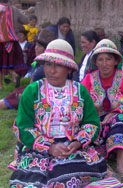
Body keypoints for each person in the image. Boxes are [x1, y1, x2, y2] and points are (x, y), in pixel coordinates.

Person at [9, 39, 106, 187]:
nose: (51, 71)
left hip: (72, 148)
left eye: (58, 65)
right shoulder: (32, 91)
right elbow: (24, 127)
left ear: (69, 69)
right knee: (34, 182)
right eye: (48, 64)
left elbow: (91, 122)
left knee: (74, 174)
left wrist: (77, 142)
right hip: (39, 149)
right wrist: (49, 147)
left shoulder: (81, 91)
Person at [81, 39, 123, 183]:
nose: (104, 64)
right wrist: (92, 118)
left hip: (121, 120)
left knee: (120, 122)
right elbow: (79, 103)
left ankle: (121, 165)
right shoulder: (89, 80)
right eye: (100, 60)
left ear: (115, 61)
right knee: (85, 134)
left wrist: (115, 113)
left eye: (108, 59)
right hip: (96, 121)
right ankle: (104, 166)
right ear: (95, 62)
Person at [0, 29, 55, 110]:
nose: (36, 48)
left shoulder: (44, 68)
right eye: (36, 45)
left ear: (46, 49)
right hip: (33, 91)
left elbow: (33, 86)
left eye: (39, 46)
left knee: (14, 96)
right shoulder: (39, 63)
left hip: (38, 96)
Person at [0, 2, 29, 89]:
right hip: (12, 42)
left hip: (0, 42)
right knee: (11, 63)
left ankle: (0, 86)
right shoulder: (14, 10)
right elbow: (26, 21)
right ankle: (14, 76)